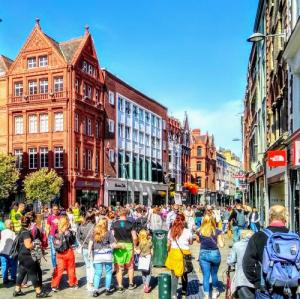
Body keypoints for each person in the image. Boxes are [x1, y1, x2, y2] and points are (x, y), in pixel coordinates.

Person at [243, 205, 299, 298]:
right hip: (290, 289)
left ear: (269, 217)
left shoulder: (258, 236)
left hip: (265, 289)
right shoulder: (295, 238)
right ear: (285, 218)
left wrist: (256, 282)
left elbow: (247, 264)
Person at [13, 216, 48, 298]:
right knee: (32, 273)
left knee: (21, 273)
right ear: (29, 224)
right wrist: (36, 242)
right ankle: (38, 292)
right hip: (27, 256)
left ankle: (17, 290)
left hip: (21, 255)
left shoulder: (21, 231)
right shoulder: (26, 233)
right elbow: (28, 245)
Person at [196, 214, 224, 299]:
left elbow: (198, 241)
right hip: (215, 254)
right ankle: (215, 292)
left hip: (203, 254)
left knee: (206, 276)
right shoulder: (217, 231)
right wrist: (222, 239)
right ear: (213, 221)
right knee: (214, 274)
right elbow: (222, 245)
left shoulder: (199, 230)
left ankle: (206, 295)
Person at [165, 213, 193, 299]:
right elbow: (191, 242)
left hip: (174, 253)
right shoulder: (187, 231)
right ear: (183, 221)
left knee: (174, 276)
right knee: (184, 274)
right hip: (184, 254)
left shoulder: (171, 230)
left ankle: (173, 294)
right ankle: (184, 293)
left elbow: (168, 244)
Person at [112, 207, 138, 293]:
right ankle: (131, 284)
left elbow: (113, 237)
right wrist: (135, 246)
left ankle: (120, 286)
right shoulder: (131, 224)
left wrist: (115, 245)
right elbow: (134, 237)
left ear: (118, 214)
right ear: (126, 214)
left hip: (119, 245)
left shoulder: (114, 224)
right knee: (130, 266)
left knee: (119, 267)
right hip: (129, 246)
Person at [88, 218, 116, 297]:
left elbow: (90, 243)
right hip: (107, 255)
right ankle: (107, 289)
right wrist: (117, 246)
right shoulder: (109, 233)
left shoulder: (94, 232)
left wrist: (90, 253)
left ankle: (95, 290)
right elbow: (113, 245)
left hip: (97, 255)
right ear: (106, 224)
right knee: (108, 272)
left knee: (97, 273)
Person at [51, 216, 78, 291]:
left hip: (59, 253)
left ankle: (54, 285)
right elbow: (72, 242)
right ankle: (72, 283)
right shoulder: (68, 232)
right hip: (68, 252)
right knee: (71, 268)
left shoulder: (56, 231)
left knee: (59, 269)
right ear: (66, 223)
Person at [227, 229, 255, 298]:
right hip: (255, 278)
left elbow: (230, 261)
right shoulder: (256, 245)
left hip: (242, 279)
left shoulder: (237, 245)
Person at [77, 211, 96, 291]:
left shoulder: (80, 226)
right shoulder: (93, 226)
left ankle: (89, 282)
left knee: (88, 266)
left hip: (84, 248)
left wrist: (81, 244)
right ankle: (90, 283)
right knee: (92, 266)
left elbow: (78, 238)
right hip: (91, 248)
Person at [0, 219, 17, 284]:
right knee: (13, 265)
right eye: (11, 224)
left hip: (2, 251)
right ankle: (13, 278)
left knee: (4, 265)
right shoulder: (12, 233)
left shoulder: (2, 232)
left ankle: (5, 279)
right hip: (10, 252)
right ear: (10, 225)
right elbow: (15, 242)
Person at [136, 229, 153, 293]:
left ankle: (144, 285)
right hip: (148, 258)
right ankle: (147, 285)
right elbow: (152, 252)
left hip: (142, 259)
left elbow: (138, 252)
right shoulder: (150, 242)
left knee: (143, 272)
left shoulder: (140, 243)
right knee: (149, 273)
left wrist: (135, 249)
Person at [46, 204, 60, 269]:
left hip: (59, 237)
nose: (55, 211)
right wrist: (46, 237)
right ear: (52, 209)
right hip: (52, 236)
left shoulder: (60, 217)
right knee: (53, 252)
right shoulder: (50, 217)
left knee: (59, 251)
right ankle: (54, 266)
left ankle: (60, 265)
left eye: (56, 209)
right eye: (54, 209)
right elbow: (48, 227)